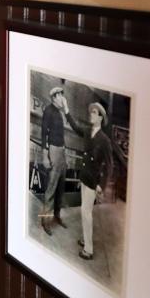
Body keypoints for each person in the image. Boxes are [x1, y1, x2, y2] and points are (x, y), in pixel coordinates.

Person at [38, 86, 85, 235]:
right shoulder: (48, 111)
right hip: (53, 150)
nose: (63, 98)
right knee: (51, 188)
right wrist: (45, 155)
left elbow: (73, 128)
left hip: (62, 151)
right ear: (54, 98)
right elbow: (44, 134)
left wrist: (66, 109)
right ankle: (45, 221)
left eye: (63, 95)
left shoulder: (60, 112)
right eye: (60, 96)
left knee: (60, 187)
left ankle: (57, 216)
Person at [73, 101, 113, 261]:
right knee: (85, 211)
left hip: (93, 182)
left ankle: (88, 250)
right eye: (91, 112)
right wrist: (67, 111)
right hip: (84, 177)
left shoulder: (104, 140)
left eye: (95, 113)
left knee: (86, 212)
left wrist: (101, 185)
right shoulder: (88, 131)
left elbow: (109, 166)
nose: (91, 114)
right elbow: (75, 128)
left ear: (101, 118)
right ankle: (85, 239)